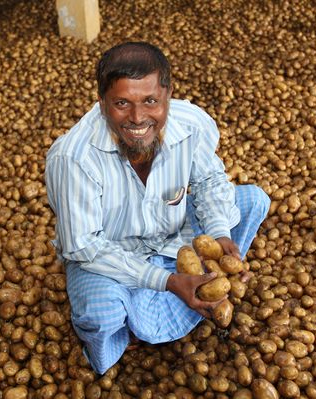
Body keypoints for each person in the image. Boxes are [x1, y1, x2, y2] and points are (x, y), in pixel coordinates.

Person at [45, 42, 270, 374]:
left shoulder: (190, 124)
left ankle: (169, 297)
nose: (138, 118)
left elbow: (209, 181)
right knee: (101, 314)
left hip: (171, 234)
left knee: (252, 200)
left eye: (150, 101)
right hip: (108, 252)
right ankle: (135, 324)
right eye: (122, 103)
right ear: (101, 102)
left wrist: (219, 235)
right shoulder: (73, 158)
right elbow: (85, 245)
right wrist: (166, 281)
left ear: (168, 96)